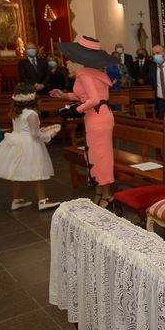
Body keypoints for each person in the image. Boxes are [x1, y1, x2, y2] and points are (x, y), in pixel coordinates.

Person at [51, 36, 117, 209]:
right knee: (97, 154)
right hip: (102, 115)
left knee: (100, 155)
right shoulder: (96, 72)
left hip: (96, 117)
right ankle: (100, 190)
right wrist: (64, 95)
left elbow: (93, 99)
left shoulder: (83, 73)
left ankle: (107, 195)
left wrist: (74, 110)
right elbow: (85, 96)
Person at [0, 83, 60, 211]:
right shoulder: (32, 114)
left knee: (17, 172)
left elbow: (27, 129)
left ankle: (16, 200)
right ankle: (42, 201)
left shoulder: (16, 112)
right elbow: (35, 134)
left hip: (16, 142)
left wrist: (38, 130)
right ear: (33, 98)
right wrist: (50, 134)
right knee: (37, 172)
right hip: (30, 144)